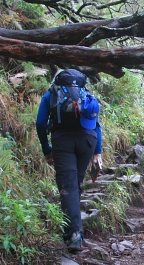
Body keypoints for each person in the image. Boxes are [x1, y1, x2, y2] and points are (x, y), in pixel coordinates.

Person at [35, 69, 102, 252]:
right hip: (88, 140)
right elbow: (97, 125)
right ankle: (73, 226)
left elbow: (41, 123)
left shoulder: (51, 95)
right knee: (76, 182)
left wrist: (46, 148)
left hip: (63, 141)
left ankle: (74, 233)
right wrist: (98, 153)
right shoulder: (86, 94)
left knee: (68, 185)